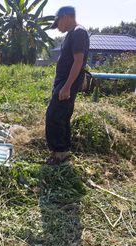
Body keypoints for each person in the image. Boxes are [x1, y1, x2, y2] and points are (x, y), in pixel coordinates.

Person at [46, 6, 90, 165]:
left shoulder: (78, 32)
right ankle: (61, 153)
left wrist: (67, 86)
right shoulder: (74, 33)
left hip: (66, 84)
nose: (57, 28)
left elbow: (79, 61)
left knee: (55, 117)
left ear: (65, 17)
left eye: (57, 23)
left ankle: (60, 156)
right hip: (65, 83)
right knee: (60, 117)